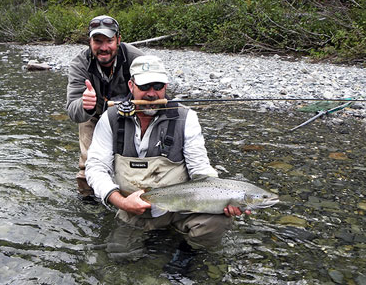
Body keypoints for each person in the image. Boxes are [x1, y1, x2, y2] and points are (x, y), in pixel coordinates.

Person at [85, 55, 249, 248]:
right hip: (132, 207)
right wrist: (120, 202)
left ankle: (187, 255)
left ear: (166, 86)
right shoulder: (111, 118)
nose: (152, 94)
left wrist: (224, 198)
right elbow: (95, 168)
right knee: (120, 257)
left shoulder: (186, 118)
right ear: (131, 85)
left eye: (158, 86)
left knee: (217, 221)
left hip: (181, 207)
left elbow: (201, 170)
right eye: (145, 87)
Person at [66, 15, 143, 197]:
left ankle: (132, 197)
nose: (103, 47)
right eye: (97, 41)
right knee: (88, 163)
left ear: (118, 39)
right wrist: (85, 105)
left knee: (132, 161)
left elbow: (155, 91)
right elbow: (72, 111)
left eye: (109, 41)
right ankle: (88, 202)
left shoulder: (136, 59)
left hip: (130, 112)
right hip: (93, 114)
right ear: (89, 41)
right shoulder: (79, 64)